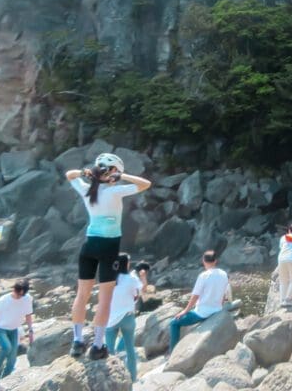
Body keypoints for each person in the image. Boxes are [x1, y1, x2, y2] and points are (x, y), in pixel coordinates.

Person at [65, 153, 150, 360]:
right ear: (113, 172)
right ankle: (97, 345)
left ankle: (77, 342)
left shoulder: (86, 190)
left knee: (81, 295)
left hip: (89, 246)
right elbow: (145, 184)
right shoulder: (116, 192)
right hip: (109, 248)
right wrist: (122, 176)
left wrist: (87, 173)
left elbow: (69, 175)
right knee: (105, 299)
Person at [169, 250, 232, 352]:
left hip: (202, 313)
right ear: (216, 261)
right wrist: (219, 306)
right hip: (217, 310)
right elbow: (224, 294)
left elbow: (195, 296)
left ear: (203, 261)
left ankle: (172, 352)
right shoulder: (224, 274)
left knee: (173, 323)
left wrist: (185, 311)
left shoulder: (203, 276)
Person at [0, 280, 33, 381]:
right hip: (0, 329)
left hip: (14, 329)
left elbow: (28, 315)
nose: (18, 297)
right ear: (14, 289)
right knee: (7, 347)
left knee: (12, 360)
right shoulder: (2, 301)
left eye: (21, 295)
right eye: (17, 294)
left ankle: (4, 379)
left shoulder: (27, 299)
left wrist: (30, 331)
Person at [105, 254, 142, 381]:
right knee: (130, 350)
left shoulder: (109, 279)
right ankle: (132, 380)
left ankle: (112, 380)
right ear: (127, 264)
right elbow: (136, 296)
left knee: (109, 352)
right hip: (127, 318)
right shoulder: (131, 278)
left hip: (111, 320)